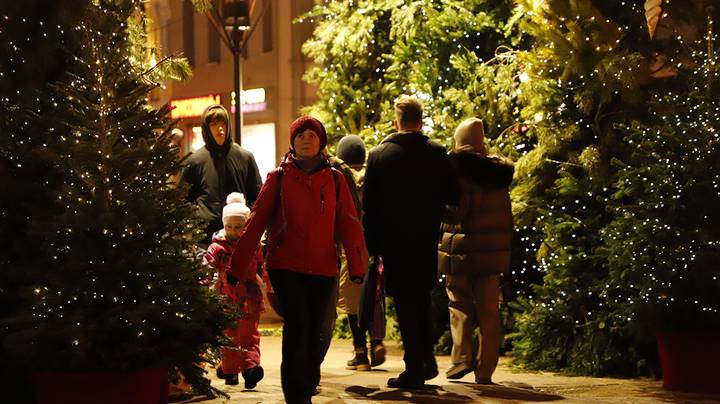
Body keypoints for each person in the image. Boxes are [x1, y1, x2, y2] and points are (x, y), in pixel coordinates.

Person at [230, 116, 367, 404]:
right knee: (299, 324)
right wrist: (236, 267)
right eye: (301, 135)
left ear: (321, 142)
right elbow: (255, 224)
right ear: (293, 142)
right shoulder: (278, 177)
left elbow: (349, 224)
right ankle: (297, 394)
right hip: (286, 266)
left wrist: (357, 267)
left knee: (317, 329)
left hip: (323, 266)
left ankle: (305, 382)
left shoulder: (335, 180)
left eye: (313, 135)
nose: (307, 139)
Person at [363, 96, 459, 389]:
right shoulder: (437, 153)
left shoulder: (379, 156)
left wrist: (373, 245)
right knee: (421, 298)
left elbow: (370, 206)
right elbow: (452, 197)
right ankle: (425, 359)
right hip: (426, 238)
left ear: (396, 121)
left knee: (405, 303)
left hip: (393, 242)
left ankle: (414, 368)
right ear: (421, 121)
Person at [438, 118, 513, 384]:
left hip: (463, 251)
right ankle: (485, 370)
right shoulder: (498, 174)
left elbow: (456, 213)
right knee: (490, 310)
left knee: (459, 304)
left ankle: (461, 359)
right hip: (492, 256)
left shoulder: (460, 174)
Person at [334, 135, 386, 371]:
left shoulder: (342, 178)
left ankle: (360, 352)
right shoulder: (374, 177)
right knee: (374, 294)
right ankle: (376, 342)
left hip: (350, 247)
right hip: (374, 244)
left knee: (353, 301)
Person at [204, 193, 265, 388]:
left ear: (246, 226)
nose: (232, 231)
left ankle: (251, 368)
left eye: (238, 227)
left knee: (250, 334)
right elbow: (208, 265)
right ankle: (230, 371)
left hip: (250, 296)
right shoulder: (217, 247)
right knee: (229, 334)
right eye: (228, 226)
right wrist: (204, 282)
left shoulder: (253, 245)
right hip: (227, 297)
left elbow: (260, 266)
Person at [180, 104, 262, 247]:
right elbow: (182, 198)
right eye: (214, 124)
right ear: (206, 128)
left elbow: (257, 196)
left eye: (223, 123)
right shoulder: (195, 161)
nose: (220, 128)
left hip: (239, 239)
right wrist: (200, 216)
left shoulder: (245, 157)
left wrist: (244, 218)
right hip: (205, 241)